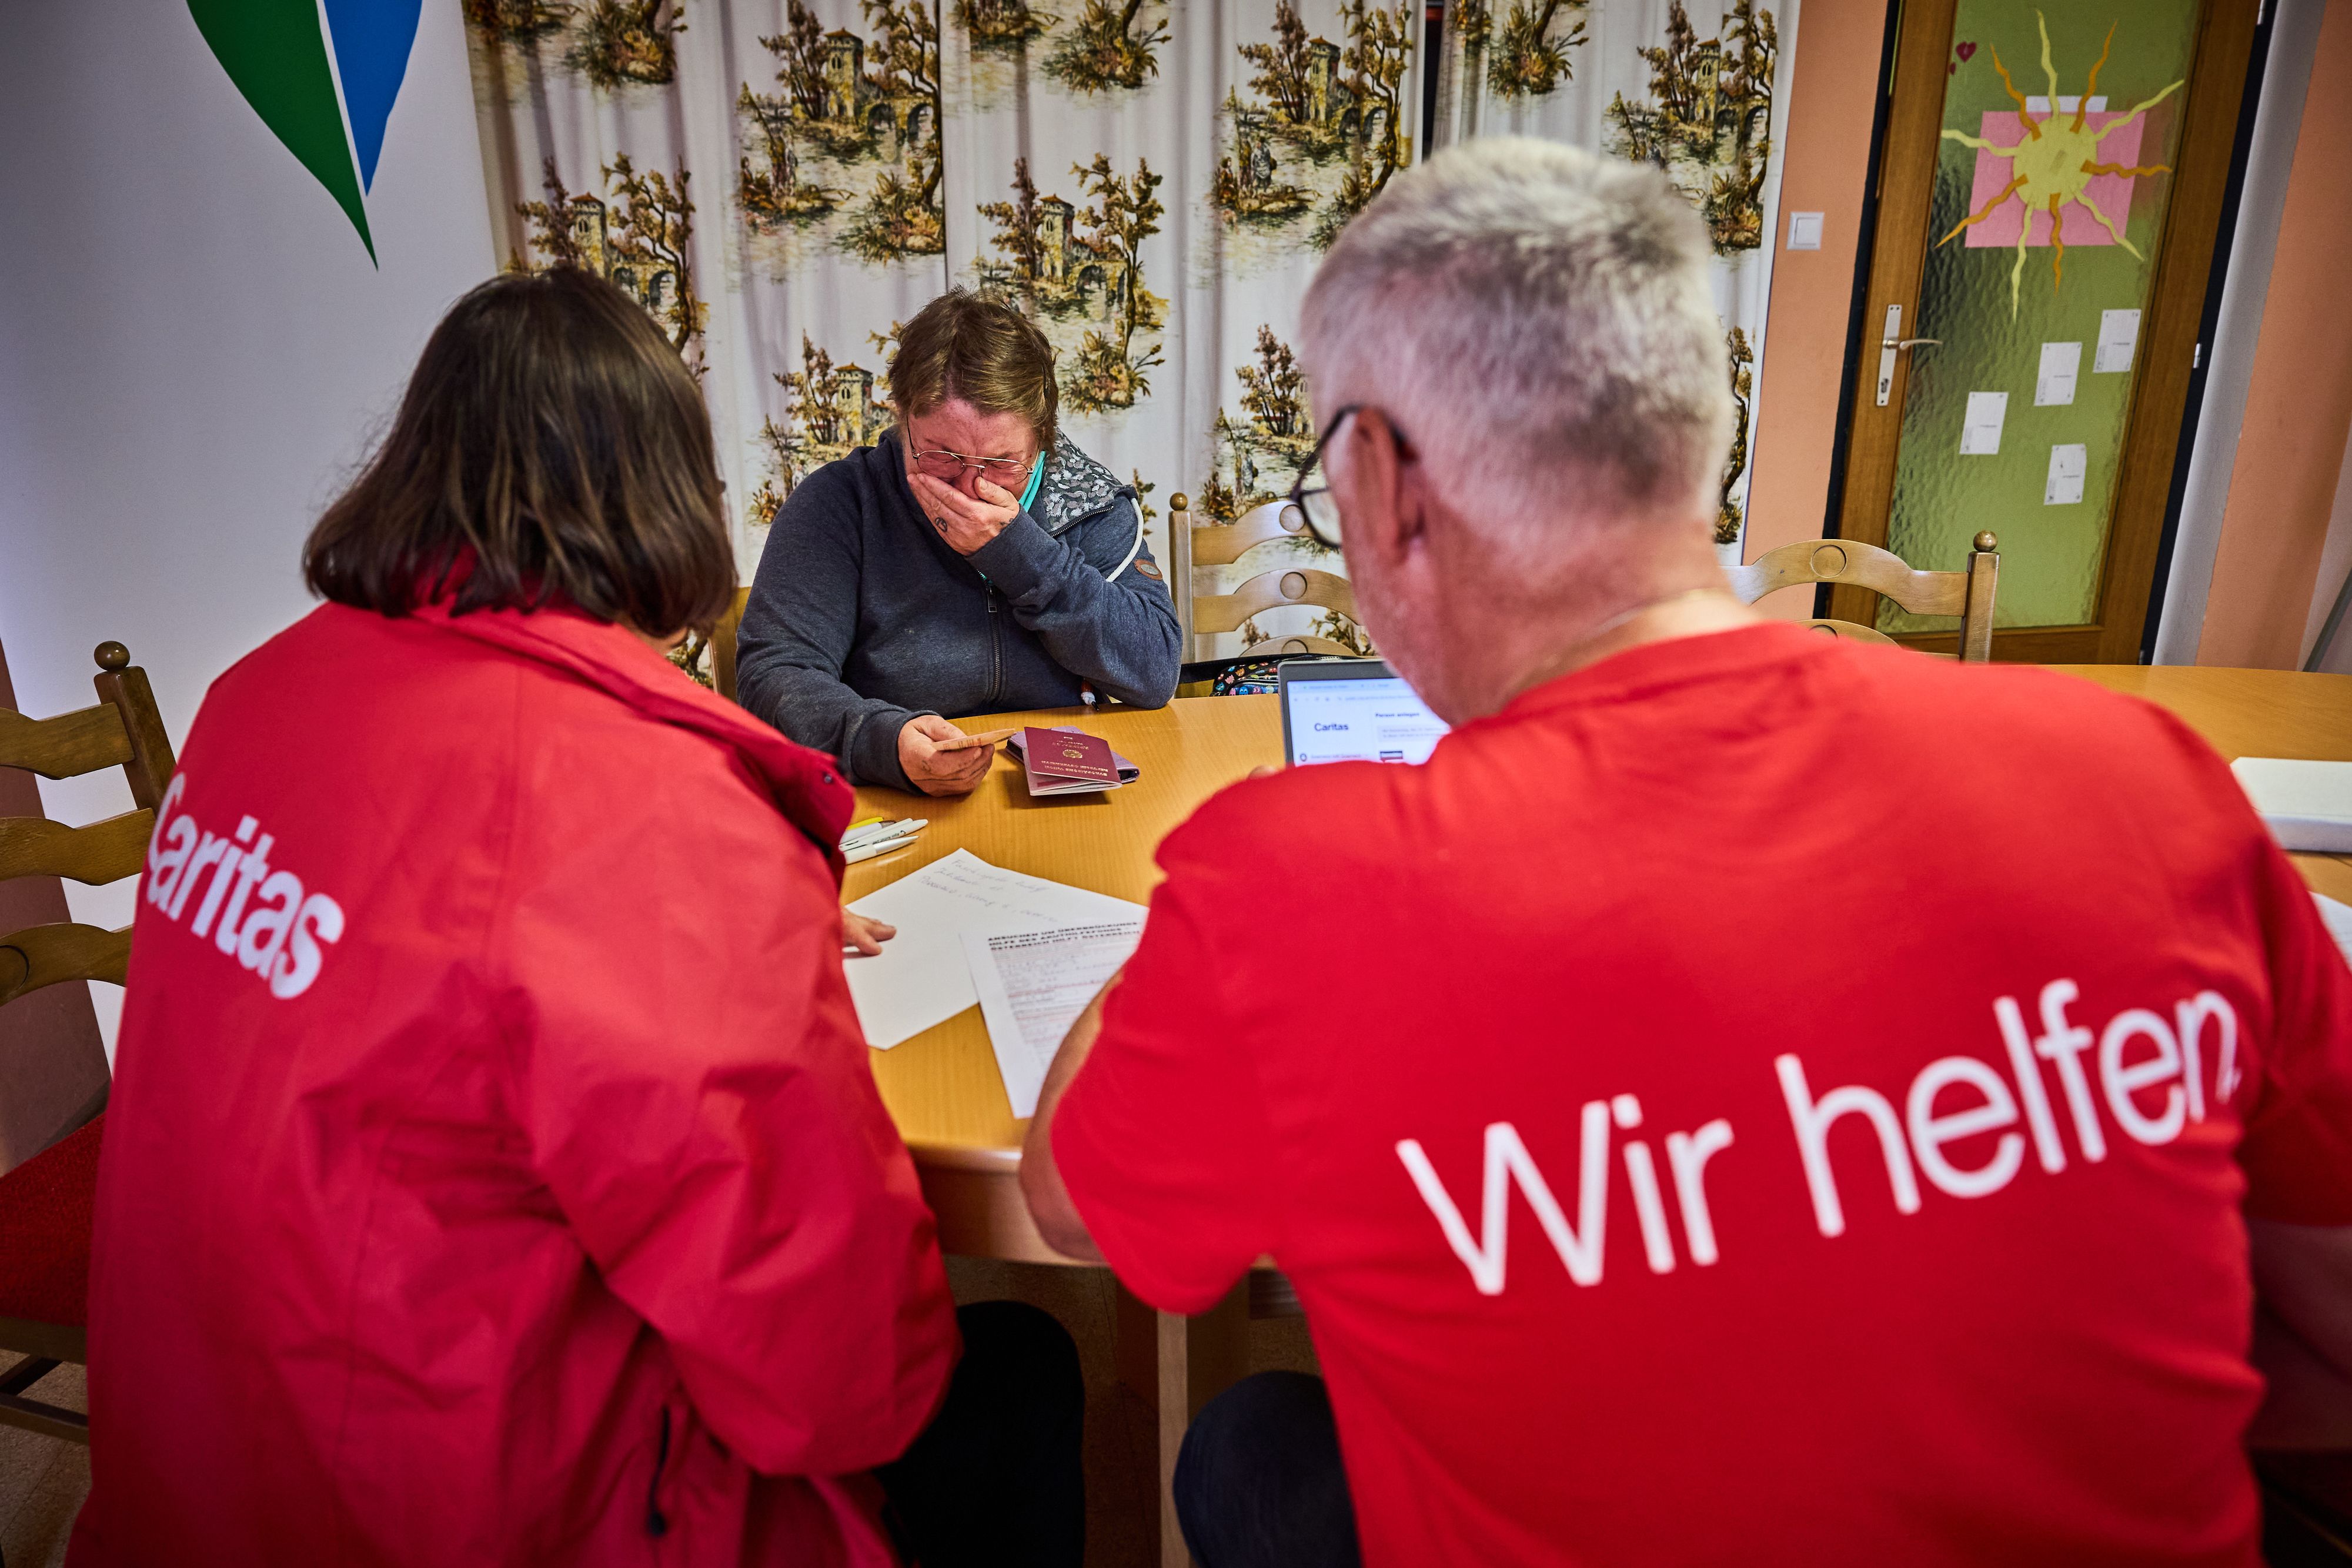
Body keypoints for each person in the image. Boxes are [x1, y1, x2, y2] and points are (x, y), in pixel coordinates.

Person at [1018, 139, 2352, 1566]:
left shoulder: (1291, 897)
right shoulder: (2145, 780)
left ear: (1390, 486)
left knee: (1250, 1445)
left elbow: (1074, 1206)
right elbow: (2325, 1349)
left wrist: (1174, 948)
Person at [72, 268, 1084, 1568]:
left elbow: (420, 947)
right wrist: (709, 918)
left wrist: (679, 935)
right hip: (482, 1496)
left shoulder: (249, 701)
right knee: (1010, 1373)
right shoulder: (648, 807)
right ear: (668, 499)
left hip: (197, 1467)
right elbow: (843, 1378)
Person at [736, 289, 1182, 797]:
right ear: (900, 415)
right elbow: (774, 675)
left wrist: (1019, 554)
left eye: (1001, 463)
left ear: (1042, 439)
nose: (969, 487)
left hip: (1064, 792)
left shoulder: (1088, 501)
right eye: (941, 454)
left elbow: (1153, 672)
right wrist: (883, 740)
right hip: (891, 792)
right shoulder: (841, 503)